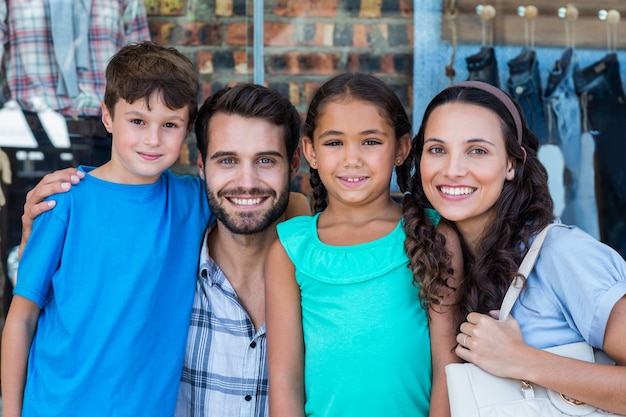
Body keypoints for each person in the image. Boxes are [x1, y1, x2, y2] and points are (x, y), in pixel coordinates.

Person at [15, 82, 309, 417]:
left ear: (294, 163)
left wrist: (300, 232)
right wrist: (35, 236)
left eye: (266, 160)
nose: (247, 181)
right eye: (227, 160)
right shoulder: (165, 272)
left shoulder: (318, 275)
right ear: (202, 166)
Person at [1, 41, 212, 416]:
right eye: (137, 121)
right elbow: (22, 317)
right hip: (56, 406)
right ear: (107, 117)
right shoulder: (64, 200)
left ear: (188, 129)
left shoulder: (194, 202)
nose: (152, 139)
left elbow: (274, 207)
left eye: (169, 124)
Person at [403, 80, 626, 415]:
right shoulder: (438, 255)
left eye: (477, 150)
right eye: (437, 149)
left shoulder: (561, 254)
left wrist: (521, 361)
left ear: (512, 164)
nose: (452, 169)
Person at [265, 72, 462, 417]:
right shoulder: (291, 250)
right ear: (310, 150)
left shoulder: (432, 234)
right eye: (334, 143)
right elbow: (284, 377)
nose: (352, 159)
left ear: (400, 149)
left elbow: (449, 365)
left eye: (370, 142)